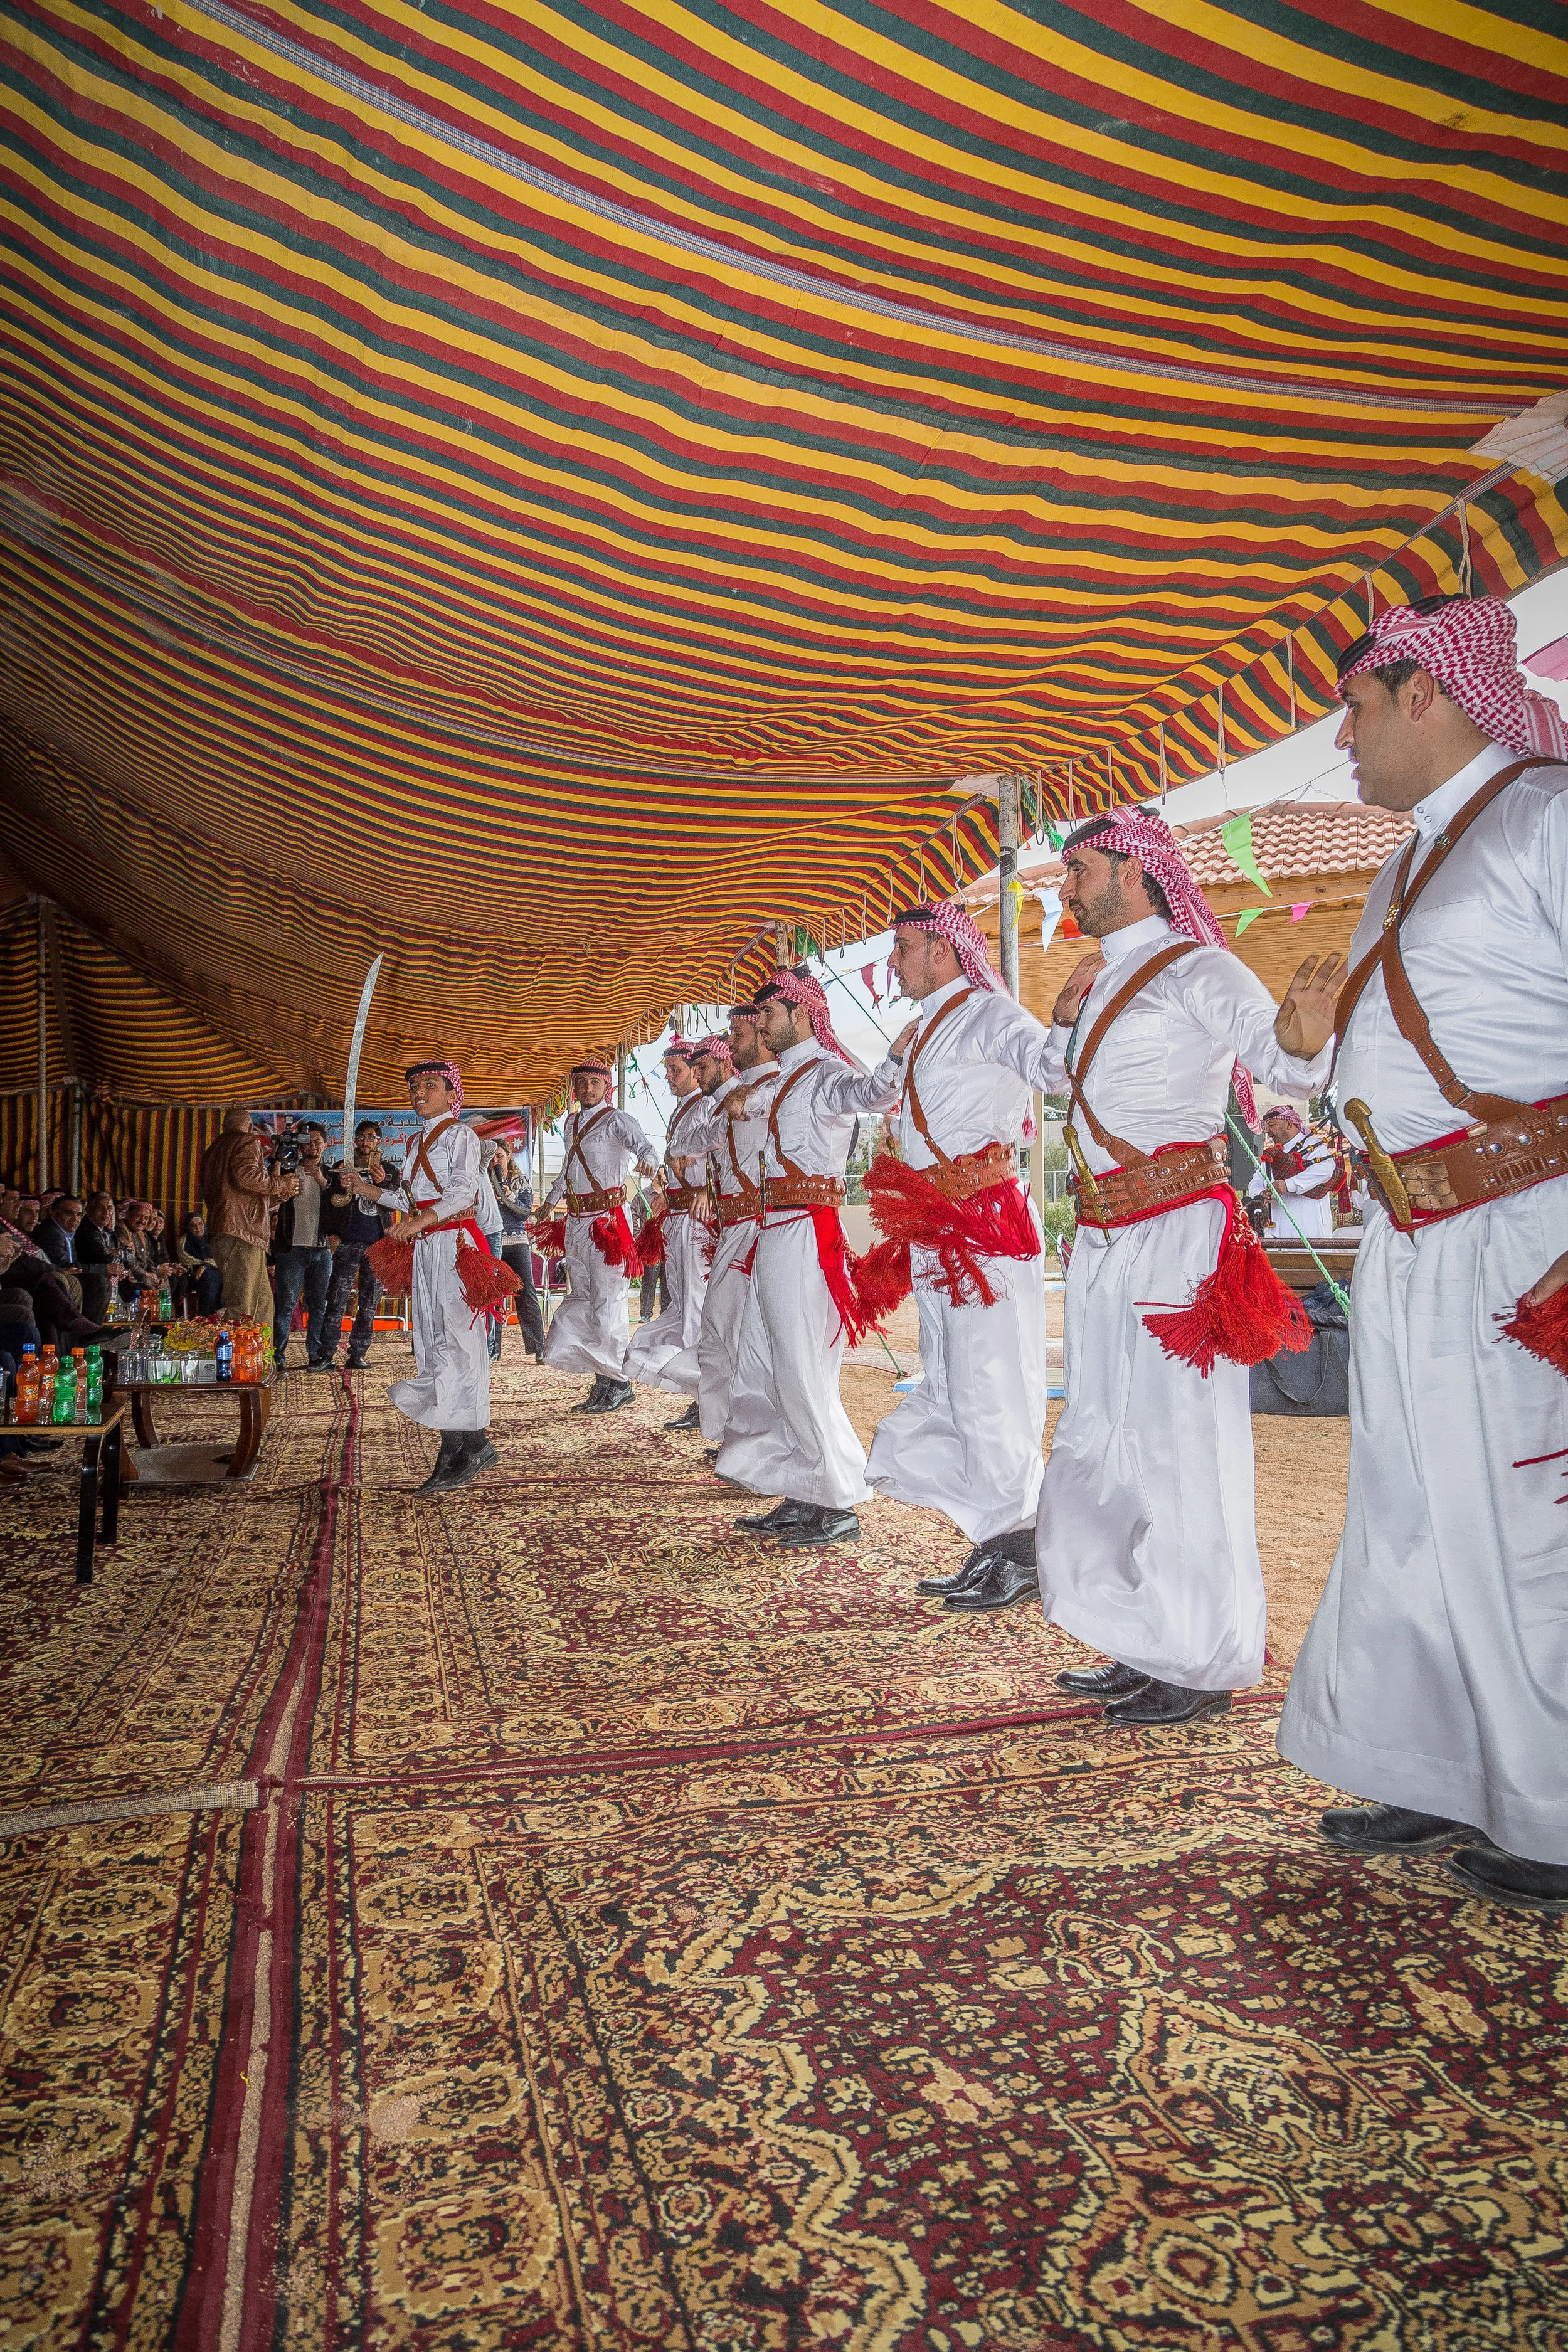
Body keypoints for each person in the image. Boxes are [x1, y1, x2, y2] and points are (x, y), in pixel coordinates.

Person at [1277, 593, 1568, 1914]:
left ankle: (1554, 1808)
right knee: (1411, 1506)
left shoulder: (1548, 818)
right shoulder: (1410, 858)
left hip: (1524, 1232)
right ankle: (1441, 1762)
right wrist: (1307, 1062)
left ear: (1422, 694)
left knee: (1523, 1523)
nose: (1337, 736)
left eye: (1349, 703)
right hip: (1411, 1231)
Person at [1022, 812, 1343, 1724]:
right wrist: (1062, 1020)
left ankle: (1202, 1655)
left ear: (1132, 869)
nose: (1064, 886)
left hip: (1176, 1236)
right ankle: (1143, 1637)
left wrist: (1307, 1036)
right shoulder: (1094, 978)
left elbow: (1282, 1060)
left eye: (1077, 867)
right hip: (1102, 1239)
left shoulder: (1200, 967)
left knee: (1179, 1450)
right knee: (1107, 1439)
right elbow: (1054, 1082)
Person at [850, 904, 1052, 1611]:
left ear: (943, 949)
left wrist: (1079, 1017)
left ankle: (1021, 1549)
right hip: (939, 1226)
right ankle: (996, 1542)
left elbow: (1052, 1067)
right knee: (959, 1382)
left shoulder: (991, 1015)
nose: (892, 962)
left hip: (982, 1223)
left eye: (902, 947)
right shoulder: (927, 1026)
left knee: (993, 1386)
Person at [718, 969, 898, 1549]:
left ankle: (839, 1499)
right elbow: (753, 1105)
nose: (761, 1024)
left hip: (805, 1234)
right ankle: (803, 1487)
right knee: (764, 1363)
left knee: (800, 1368)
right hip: (775, 1230)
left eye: (768, 1015)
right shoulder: (788, 1078)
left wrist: (896, 1056)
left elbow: (875, 1096)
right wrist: (744, 1096)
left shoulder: (827, 1077)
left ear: (800, 1013)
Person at [346, 1059, 500, 1489]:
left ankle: (455, 1449)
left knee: (456, 1340)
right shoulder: (415, 1142)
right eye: (414, 1085)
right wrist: (369, 1191)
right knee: (433, 1340)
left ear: (453, 1095)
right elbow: (408, 1199)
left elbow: (461, 1193)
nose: (418, 1092)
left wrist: (420, 1221)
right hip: (428, 1247)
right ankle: (474, 1444)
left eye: (430, 1085)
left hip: (456, 1246)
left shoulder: (461, 1135)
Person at [538, 1058, 658, 1412]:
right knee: (585, 1299)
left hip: (608, 1221)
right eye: (582, 1083)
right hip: (575, 1221)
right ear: (574, 1088)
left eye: (595, 1082)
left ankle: (618, 1381)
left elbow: (646, 1148)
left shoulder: (619, 1120)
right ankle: (601, 1376)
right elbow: (566, 1169)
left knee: (609, 1303)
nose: (588, 1089)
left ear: (607, 1086)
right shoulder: (571, 1122)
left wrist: (650, 1162)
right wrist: (550, 1202)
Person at [628, 1041, 714, 1422]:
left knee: (696, 1305)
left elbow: (722, 1156)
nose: (669, 1078)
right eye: (667, 1071)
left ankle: (707, 1395)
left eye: (676, 1070)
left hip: (698, 1219)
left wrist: (708, 1190)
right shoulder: (684, 1110)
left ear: (698, 1070)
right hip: (678, 1216)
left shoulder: (709, 1105)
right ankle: (700, 1392)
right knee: (681, 1302)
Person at [200, 1110, 300, 1322]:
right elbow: (246, 1177)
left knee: (263, 1305)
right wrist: (279, 1183)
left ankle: (263, 1355)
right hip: (241, 1232)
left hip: (232, 1229)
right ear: (249, 1127)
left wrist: (278, 1196)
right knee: (242, 1306)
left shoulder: (213, 1149)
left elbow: (239, 1193)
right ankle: (240, 1355)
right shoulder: (246, 1141)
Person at [321, 1122, 390, 1370]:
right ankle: (326, 1354)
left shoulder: (389, 1171)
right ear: (354, 1141)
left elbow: (396, 1203)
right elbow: (327, 1202)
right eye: (360, 1137)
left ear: (379, 1142)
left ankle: (358, 1353)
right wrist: (330, 1234)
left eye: (370, 1138)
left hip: (378, 1247)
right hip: (347, 1244)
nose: (365, 1142)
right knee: (337, 1300)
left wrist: (381, 1183)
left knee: (369, 1302)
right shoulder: (343, 1169)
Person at [270, 1124, 334, 1367]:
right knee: (286, 1305)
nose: (313, 1146)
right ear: (300, 1145)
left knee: (320, 1305)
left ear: (326, 1145)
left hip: (323, 1250)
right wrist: (279, 1162)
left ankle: (315, 1355)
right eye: (308, 1141)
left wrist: (319, 1177)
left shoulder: (331, 1174)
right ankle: (277, 1357)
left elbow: (339, 1202)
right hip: (292, 1249)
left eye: (318, 1141)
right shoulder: (288, 1171)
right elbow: (273, 1195)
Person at [489, 1142, 546, 1359]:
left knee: (526, 1293)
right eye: (493, 1158)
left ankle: (539, 1347)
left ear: (508, 1157)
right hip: (493, 1243)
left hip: (517, 1243)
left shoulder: (521, 1181)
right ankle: (492, 1349)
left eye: (500, 1156)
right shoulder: (485, 1181)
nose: (496, 1161)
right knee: (492, 1296)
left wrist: (508, 1196)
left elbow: (524, 1213)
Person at [1247, 1106, 1338, 1241]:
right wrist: (1260, 1194)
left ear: (1289, 1124)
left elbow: (1325, 1169)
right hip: (1277, 1229)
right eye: (1266, 1126)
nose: (1267, 1131)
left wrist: (1288, 1184)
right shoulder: (1272, 1152)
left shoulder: (1313, 1145)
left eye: (1271, 1125)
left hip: (1309, 1227)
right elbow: (1255, 1182)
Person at [177, 1211, 225, 1318]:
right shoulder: (184, 1242)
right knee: (209, 1278)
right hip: (194, 1276)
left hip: (217, 1272)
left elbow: (221, 1258)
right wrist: (203, 1267)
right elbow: (186, 1261)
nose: (198, 1227)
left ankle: (217, 1317)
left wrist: (205, 1266)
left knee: (215, 1277)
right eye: (193, 1226)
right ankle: (208, 1317)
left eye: (200, 1224)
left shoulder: (214, 1239)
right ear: (188, 1228)